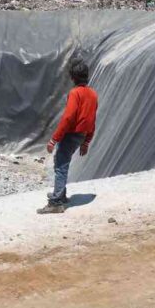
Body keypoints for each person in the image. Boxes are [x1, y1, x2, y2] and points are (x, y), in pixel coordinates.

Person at [38, 58, 98, 214]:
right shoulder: (92, 94)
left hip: (71, 134)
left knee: (60, 166)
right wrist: (86, 142)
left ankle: (56, 202)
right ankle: (61, 194)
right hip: (81, 135)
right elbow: (92, 119)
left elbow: (68, 117)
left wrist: (54, 139)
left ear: (73, 77)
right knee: (61, 163)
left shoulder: (75, 93)